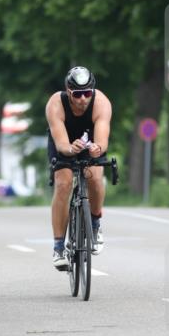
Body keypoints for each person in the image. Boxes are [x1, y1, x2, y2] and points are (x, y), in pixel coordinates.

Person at [45, 66, 112, 270]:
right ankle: (58, 247)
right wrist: (69, 148)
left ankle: (94, 222)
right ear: (68, 91)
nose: (83, 99)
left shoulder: (101, 103)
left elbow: (102, 141)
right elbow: (61, 144)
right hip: (64, 142)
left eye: (87, 93)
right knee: (63, 183)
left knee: (95, 178)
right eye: (77, 94)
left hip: (90, 142)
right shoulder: (56, 104)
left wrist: (97, 149)